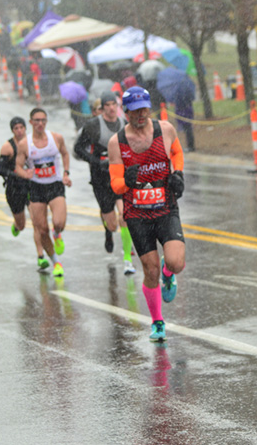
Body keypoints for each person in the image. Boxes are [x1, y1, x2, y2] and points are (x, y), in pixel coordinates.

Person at [107, 86, 186, 342]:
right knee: (149, 269)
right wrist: (126, 182)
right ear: (126, 112)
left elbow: (176, 152)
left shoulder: (165, 129)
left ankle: (168, 273)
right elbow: (115, 183)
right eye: (134, 111)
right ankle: (157, 322)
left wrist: (178, 175)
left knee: (176, 262)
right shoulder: (117, 142)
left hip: (165, 207)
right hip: (137, 213)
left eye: (144, 109)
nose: (140, 115)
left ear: (149, 107)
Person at [74, 91, 136, 275]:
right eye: (107, 105)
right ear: (102, 108)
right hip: (100, 179)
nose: (111, 108)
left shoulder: (124, 124)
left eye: (113, 104)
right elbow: (78, 148)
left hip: (120, 176)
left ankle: (127, 260)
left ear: (117, 106)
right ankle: (108, 232)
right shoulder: (93, 126)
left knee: (125, 216)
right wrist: (96, 161)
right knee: (112, 223)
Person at [14, 108, 72, 278]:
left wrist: (66, 173)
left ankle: (57, 233)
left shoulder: (56, 138)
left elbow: (65, 154)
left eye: (43, 120)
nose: (40, 124)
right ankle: (56, 262)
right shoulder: (25, 144)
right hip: (36, 188)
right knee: (42, 229)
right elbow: (18, 165)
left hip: (54, 185)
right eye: (37, 120)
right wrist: (25, 174)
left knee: (59, 222)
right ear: (31, 122)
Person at [0, 117, 47, 270]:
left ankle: (40, 256)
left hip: (32, 187)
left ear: (26, 128)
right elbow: (1, 170)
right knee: (22, 224)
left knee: (37, 222)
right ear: (12, 130)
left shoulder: (32, 143)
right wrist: (18, 174)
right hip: (15, 188)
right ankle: (16, 225)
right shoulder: (8, 147)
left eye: (21, 127)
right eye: (16, 128)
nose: (19, 131)